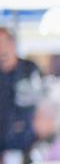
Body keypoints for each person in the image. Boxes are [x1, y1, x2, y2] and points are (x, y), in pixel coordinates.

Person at [0, 26, 41, 157]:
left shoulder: (29, 69)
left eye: (4, 44)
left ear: (12, 44)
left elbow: (39, 102)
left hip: (28, 145)